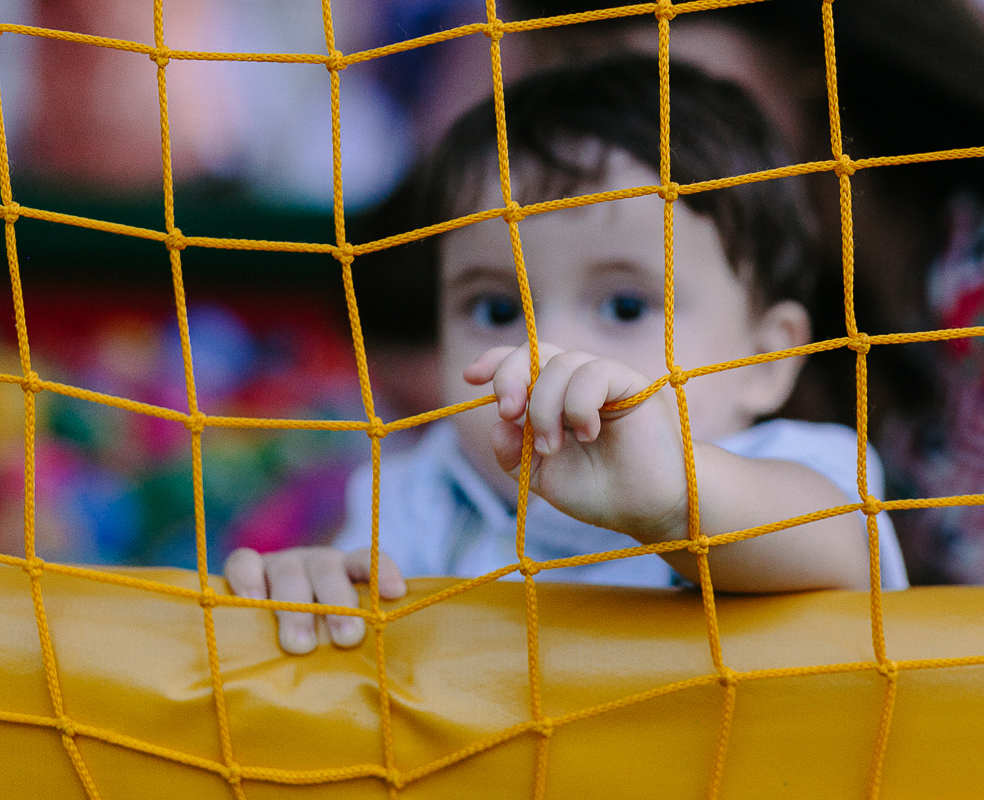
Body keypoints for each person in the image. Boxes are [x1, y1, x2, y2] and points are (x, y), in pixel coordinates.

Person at [223, 56, 909, 654]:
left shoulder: (797, 474)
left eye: (625, 306)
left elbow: (848, 559)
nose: (544, 351)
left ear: (764, 361)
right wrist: (316, 592)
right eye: (495, 309)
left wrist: (678, 501)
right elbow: (351, 638)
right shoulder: (424, 498)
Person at [502, 0, 984, 584]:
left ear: (806, 48)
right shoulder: (795, 301)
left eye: (632, 72)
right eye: (560, 77)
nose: (596, 126)